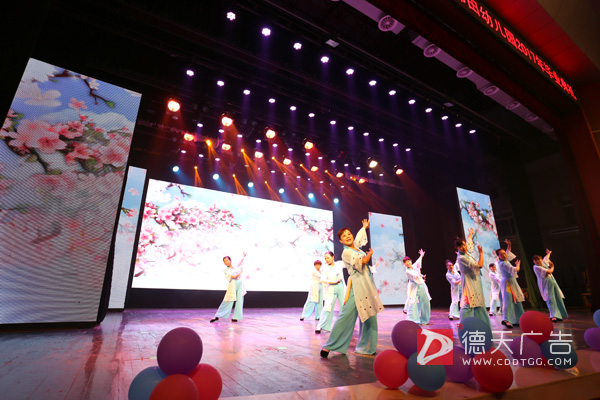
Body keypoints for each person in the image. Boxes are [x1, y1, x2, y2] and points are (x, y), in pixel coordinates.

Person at [320, 219, 384, 358]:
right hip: (358, 286)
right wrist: (369, 254)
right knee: (346, 316)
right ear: (341, 241)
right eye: (344, 236)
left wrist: (364, 227)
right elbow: (363, 261)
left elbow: (359, 239)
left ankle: (367, 347)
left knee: (370, 315)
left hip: (366, 284)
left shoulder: (356, 248)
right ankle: (330, 345)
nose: (348, 236)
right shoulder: (346, 253)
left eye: (349, 234)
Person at [454, 238, 491, 328]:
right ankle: (463, 328)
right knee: (467, 305)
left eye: (464, 245)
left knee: (480, 305)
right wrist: (481, 254)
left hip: (475, 281)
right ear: (457, 248)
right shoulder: (461, 257)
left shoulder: (466, 253)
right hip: (469, 283)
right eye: (460, 246)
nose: (464, 247)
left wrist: (470, 234)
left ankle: (484, 328)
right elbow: (479, 265)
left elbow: (469, 244)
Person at [210, 252, 247, 322]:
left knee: (240, 301)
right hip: (233, 285)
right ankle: (217, 316)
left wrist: (243, 256)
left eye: (227, 260)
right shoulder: (226, 270)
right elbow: (233, 276)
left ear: (230, 260)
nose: (226, 262)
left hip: (240, 284)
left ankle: (235, 317)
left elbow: (240, 261)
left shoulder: (235, 266)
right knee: (227, 300)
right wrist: (240, 272)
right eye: (224, 261)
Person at [533, 249, 568, 322]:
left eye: (539, 259)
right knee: (550, 299)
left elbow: (546, 258)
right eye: (536, 260)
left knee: (557, 298)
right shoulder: (536, 267)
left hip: (552, 282)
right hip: (546, 284)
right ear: (534, 261)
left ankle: (559, 315)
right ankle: (553, 316)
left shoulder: (544, 263)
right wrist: (552, 267)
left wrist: (548, 253)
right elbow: (549, 271)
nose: (538, 261)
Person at [315, 252, 346, 333]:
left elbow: (350, 263)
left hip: (341, 287)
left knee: (343, 307)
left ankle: (343, 326)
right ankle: (320, 326)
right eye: (325, 258)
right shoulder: (325, 268)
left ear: (333, 257)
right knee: (327, 308)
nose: (326, 260)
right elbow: (322, 279)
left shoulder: (339, 264)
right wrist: (332, 282)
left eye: (328, 258)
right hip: (331, 288)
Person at [496, 247, 525, 329]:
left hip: (512, 282)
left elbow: (508, 253)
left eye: (504, 253)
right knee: (508, 302)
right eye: (501, 254)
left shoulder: (505, 261)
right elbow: (516, 270)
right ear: (498, 256)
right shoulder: (503, 264)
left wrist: (509, 245)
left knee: (517, 301)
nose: (504, 255)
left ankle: (519, 320)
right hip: (507, 283)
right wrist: (518, 264)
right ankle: (506, 319)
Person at [404, 249, 431, 324]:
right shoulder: (407, 271)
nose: (407, 263)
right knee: (412, 303)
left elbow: (418, 261)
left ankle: (424, 320)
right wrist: (419, 274)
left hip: (421, 286)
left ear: (410, 261)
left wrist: (421, 255)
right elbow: (416, 276)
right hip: (415, 288)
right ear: (404, 264)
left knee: (425, 302)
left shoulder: (414, 266)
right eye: (405, 262)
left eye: (408, 261)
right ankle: (412, 319)